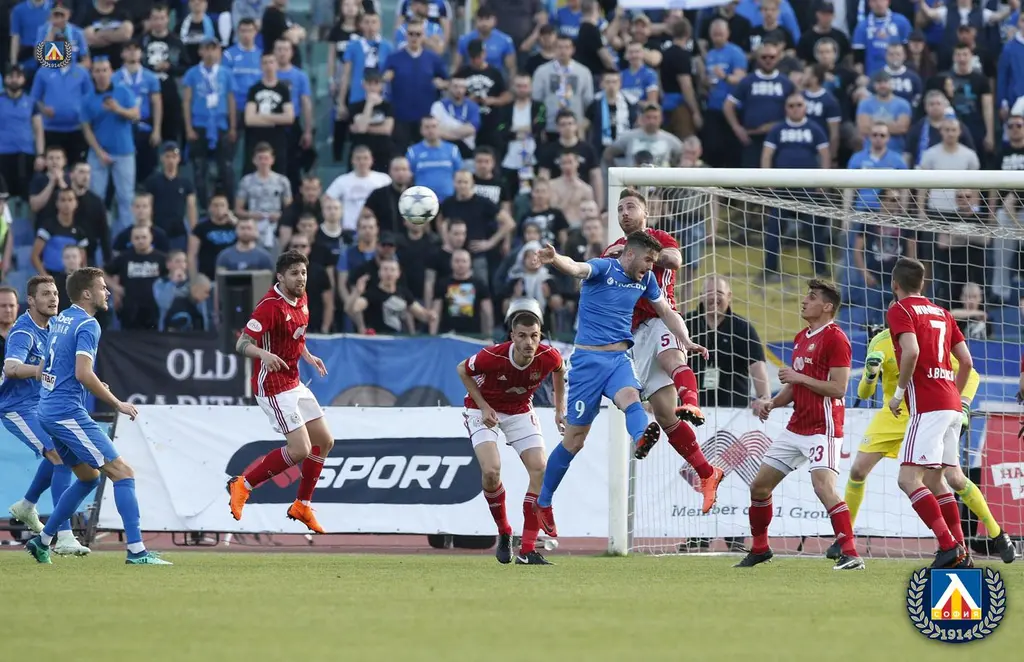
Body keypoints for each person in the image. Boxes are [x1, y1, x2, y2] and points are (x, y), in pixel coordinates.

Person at [533, 214, 709, 537]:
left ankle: (642, 437)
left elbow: (667, 312)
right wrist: (555, 258)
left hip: (618, 360)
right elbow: (576, 268)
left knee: (632, 399)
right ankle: (543, 502)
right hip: (587, 364)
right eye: (647, 260)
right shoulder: (605, 268)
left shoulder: (646, 279)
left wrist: (686, 341)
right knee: (574, 441)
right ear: (630, 254)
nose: (651, 267)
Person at [835, 319, 1015, 563]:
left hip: (925, 414)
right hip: (892, 416)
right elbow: (864, 394)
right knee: (858, 471)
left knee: (951, 479)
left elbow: (971, 374)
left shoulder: (928, 340)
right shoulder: (879, 341)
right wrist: (869, 374)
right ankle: (845, 541)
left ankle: (993, 535)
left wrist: (962, 405)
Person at [25, 268, 169, 565]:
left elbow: (51, 367)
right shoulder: (88, 324)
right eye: (103, 288)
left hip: (48, 408)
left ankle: (42, 540)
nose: (107, 292)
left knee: (89, 478)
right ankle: (137, 551)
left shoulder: (61, 319)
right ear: (87, 293)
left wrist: (85, 382)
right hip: (66, 412)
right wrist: (117, 402)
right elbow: (82, 372)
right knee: (123, 472)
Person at [602, 190, 723, 511]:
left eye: (631, 207)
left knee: (672, 359)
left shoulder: (660, 237)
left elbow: (674, 260)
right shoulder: (612, 248)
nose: (624, 213)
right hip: (634, 334)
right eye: (620, 208)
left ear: (645, 213)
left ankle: (692, 402)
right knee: (666, 416)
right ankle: (707, 473)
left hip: (663, 317)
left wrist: (637, 253)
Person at [740, 279, 863, 570]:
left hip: (824, 427)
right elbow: (795, 387)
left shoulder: (836, 338)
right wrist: (773, 403)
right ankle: (760, 548)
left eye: (812, 297)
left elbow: (839, 389)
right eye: (807, 296)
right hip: (797, 426)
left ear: (828, 306)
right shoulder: (801, 337)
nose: (805, 301)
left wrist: (799, 378)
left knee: (823, 488)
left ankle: (851, 553)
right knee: (759, 487)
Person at [226, 251, 334, 535]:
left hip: (293, 380)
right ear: (280, 277)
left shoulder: (302, 297)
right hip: (272, 386)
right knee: (300, 449)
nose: (301, 278)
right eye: (294, 273)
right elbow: (241, 344)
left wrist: (308, 355)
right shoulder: (269, 307)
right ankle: (243, 484)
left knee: (325, 441)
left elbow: (297, 333)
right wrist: (263, 354)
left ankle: (302, 505)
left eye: (303, 272)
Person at [456, 300, 565, 565]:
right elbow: (462, 369)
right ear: (513, 336)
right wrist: (484, 406)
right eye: (523, 336)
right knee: (491, 472)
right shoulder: (493, 356)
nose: (529, 342)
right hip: (482, 410)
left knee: (540, 469)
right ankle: (504, 530)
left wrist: (559, 410)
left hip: (519, 410)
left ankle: (527, 549)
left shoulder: (548, 356)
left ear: (540, 335)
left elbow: (560, 370)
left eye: (534, 336)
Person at [885, 257, 975, 568]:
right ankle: (962, 552)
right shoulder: (943, 313)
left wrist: (898, 394)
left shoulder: (900, 310)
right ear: (922, 284)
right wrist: (956, 397)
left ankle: (948, 546)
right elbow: (967, 362)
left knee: (908, 479)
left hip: (928, 406)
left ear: (895, 284)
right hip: (952, 405)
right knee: (937, 482)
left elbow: (911, 351)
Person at [3, 276, 88, 556]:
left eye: (55, 293)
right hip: (16, 407)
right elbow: (12, 368)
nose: (53, 299)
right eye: (45, 294)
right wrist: (40, 370)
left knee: (61, 452)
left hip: (41, 404)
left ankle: (27, 505)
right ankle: (63, 535)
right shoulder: (23, 332)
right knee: (59, 456)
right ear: (31, 300)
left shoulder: (54, 327)